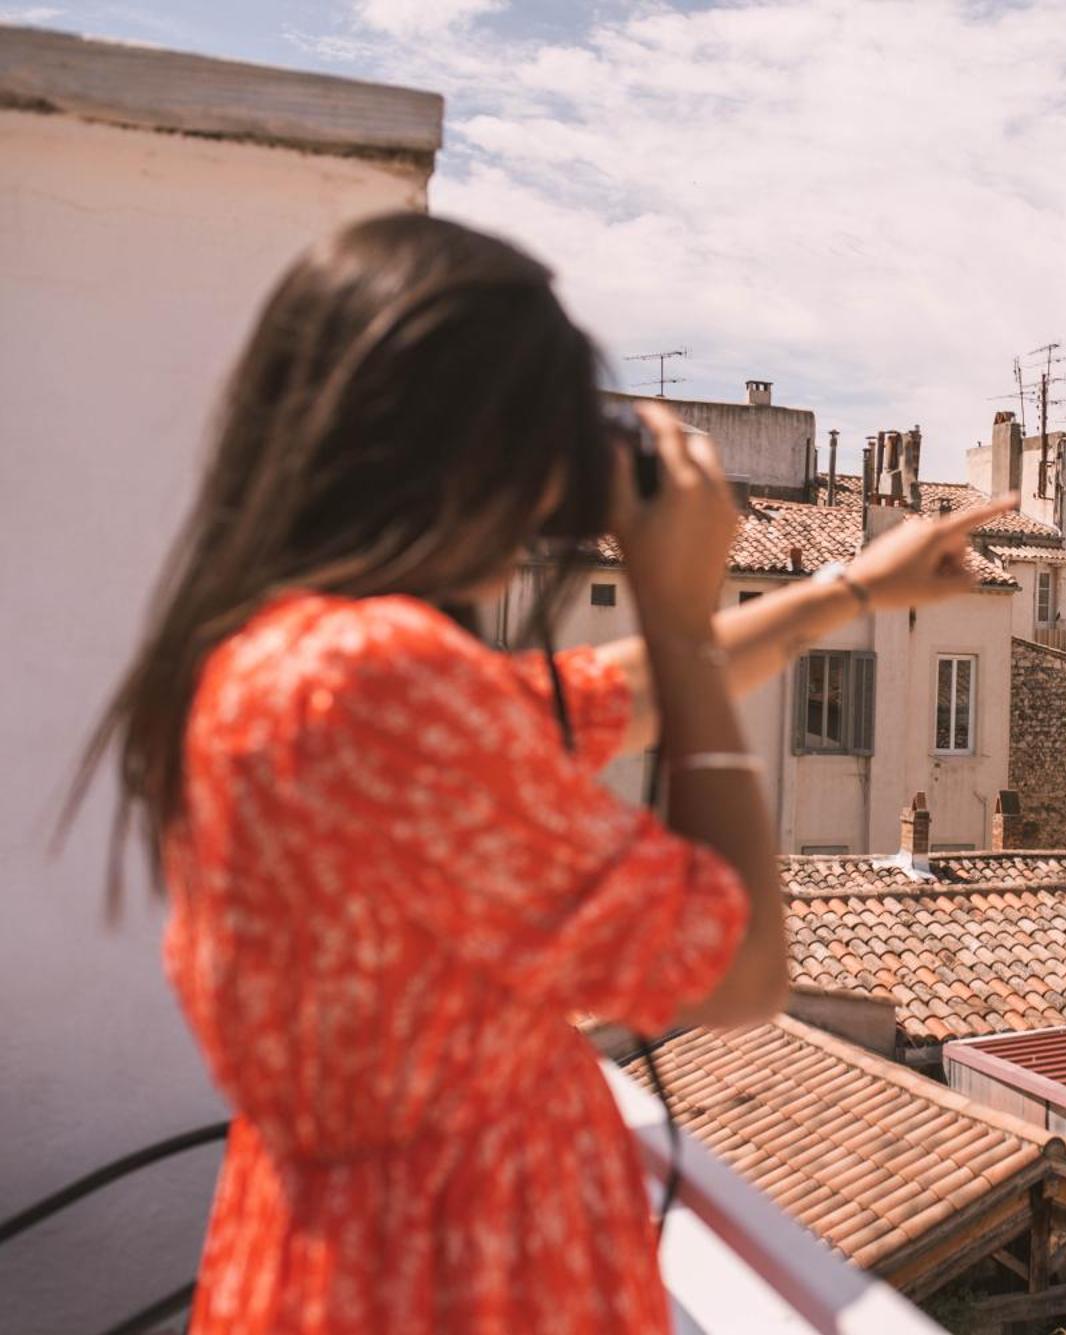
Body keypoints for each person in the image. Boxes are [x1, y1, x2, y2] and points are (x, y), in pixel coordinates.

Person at [71, 212, 1016, 1332]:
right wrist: (674, 599)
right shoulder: (376, 690)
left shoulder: (276, 655)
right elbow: (738, 974)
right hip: (442, 1286)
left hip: (340, 1263)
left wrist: (853, 587)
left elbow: (629, 695)